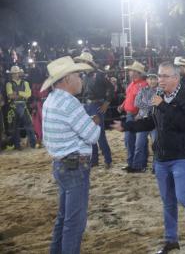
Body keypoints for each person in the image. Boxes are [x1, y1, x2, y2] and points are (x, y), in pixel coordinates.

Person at [111, 62, 185, 254]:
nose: (161, 80)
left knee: (184, 197)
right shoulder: (159, 98)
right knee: (168, 201)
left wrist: (164, 106)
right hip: (161, 158)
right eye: (159, 76)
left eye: (165, 76)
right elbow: (152, 121)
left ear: (176, 78)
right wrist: (128, 126)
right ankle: (170, 241)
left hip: (182, 156)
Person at [41, 56, 101, 254]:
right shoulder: (70, 103)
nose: (81, 79)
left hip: (61, 164)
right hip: (75, 167)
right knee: (75, 223)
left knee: (64, 218)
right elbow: (92, 136)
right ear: (67, 79)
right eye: (78, 75)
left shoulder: (51, 100)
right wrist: (95, 123)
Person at [74, 52, 114, 169]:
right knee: (89, 134)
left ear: (87, 63)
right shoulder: (84, 76)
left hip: (96, 105)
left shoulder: (99, 74)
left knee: (99, 134)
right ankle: (95, 160)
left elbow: (111, 88)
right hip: (87, 105)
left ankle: (107, 160)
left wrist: (106, 103)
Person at [118, 61, 148, 173]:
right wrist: (122, 105)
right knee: (130, 140)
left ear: (137, 73)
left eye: (132, 71)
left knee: (138, 141)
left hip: (137, 115)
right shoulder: (132, 84)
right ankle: (133, 163)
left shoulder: (144, 84)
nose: (130, 72)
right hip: (130, 114)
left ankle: (138, 164)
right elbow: (129, 97)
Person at [6, 65, 36, 150]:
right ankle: (18, 145)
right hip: (15, 106)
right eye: (14, 73)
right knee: (15, 127)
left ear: (19, 73)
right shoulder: (9, 84)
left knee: (28, 125)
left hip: (20, 105)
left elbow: (28, 94)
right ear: (12, 74)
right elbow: (10, 95)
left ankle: (32, 144)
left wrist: (18, 93)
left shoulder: (24, 83)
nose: (15, 75)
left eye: (16, 73)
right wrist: (22, 94)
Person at [134, 70, 158, 172]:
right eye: (150, 79)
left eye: (154, 78)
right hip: (144, 120)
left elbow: (160, 105)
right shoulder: (142, 90)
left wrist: (145, 107)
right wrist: (151, 106)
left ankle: (155, 167)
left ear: (157, 80)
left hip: (154, 121)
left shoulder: (161, 91)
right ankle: (138, 166)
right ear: (147, 80)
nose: (152, 81)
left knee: (156, 145)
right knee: (139, 144)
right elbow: (136, 103)